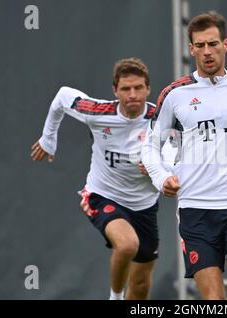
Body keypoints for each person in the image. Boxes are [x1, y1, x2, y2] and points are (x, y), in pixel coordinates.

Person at [141, 11, 227, 300]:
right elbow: (150, 146)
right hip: (196, 209)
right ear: (191, 48)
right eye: (200, 45)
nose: (207, 52)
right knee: (215, 301)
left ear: (226, 45)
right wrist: (162, 177)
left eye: (213, 44)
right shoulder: (175, 94)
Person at [31, 58, 164, 300]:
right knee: (126, 245)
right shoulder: (97, 112)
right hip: (102, 195)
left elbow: (183, 152)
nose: (132, 94)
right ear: (115, 90)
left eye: (138, 88)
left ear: (148, 89)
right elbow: (62, 96)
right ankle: (115, 297)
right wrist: (48, 139)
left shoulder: (162, 119)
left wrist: (160, 165)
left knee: (142, 286)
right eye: (125, 88)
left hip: (145, 207)